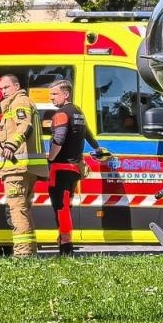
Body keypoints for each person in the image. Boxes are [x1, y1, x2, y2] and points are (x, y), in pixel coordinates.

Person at [47, 79, 112, 256]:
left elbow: (59, 139)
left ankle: (65, 246)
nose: (51, 98)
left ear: (66, 94)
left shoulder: (61, 114)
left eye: (54, 94)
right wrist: (97, 148)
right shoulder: (78, 112)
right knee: (67, 206)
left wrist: (50, 158)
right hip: (75, 168)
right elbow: (88, 133)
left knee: (61, 208)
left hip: (59, 168)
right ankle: (65, 241)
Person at [0, 74, 43, 257]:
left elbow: (24, 125)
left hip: (17, 168)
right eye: (1, 89)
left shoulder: (19, 102)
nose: (3, 92)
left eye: (6, 88)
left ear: (16, 85)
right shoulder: (15, 104)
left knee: (17, 210)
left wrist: (10, 144)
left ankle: (22, 255)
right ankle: (30, 252)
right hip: (24, 168)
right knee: (24, 209)